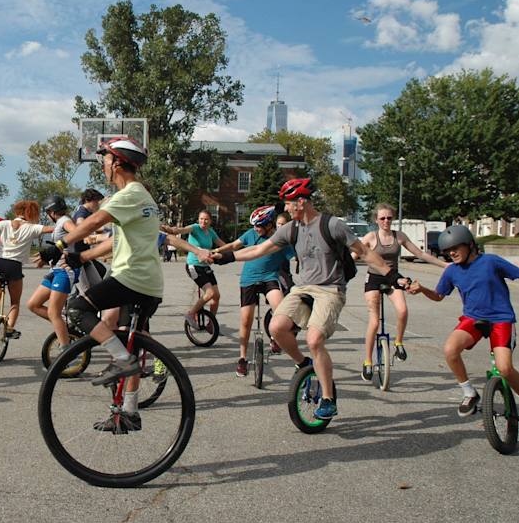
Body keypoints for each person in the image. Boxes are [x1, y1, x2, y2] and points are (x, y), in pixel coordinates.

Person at [205, 178, 400, 420]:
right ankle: (304, 363)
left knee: (314, 339)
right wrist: (225, 257)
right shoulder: (291, 229)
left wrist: (393, 276)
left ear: (301, 202)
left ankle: (328, 398)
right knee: (276, 327)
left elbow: (365, 252)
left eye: (288, 204)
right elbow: (258, 250)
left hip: (330, 289)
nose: (286, 209)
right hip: (303, 288)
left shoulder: (333, 225)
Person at [46, 137, 163, 432]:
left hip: (132, 279)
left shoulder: (130, 194)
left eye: (105, 161)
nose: (103, 167)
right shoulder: (139, 197)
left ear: (118, 164)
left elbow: (94, 221)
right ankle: (129, 412)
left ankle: (122, 360)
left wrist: (59, 244)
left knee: (77, 309)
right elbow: (115, 240)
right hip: (145, 281)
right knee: (126, 344)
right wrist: (83, 256)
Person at [407, 225, 519, 416]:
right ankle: (469, 392)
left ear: (469, 245)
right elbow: (438, 296)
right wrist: (423, 289)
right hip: (472, 319)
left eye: (455, 248)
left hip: (501, 320)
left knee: (505, 369)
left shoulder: (491, 261)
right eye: (448, 251)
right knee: (450, 350)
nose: (452, 253)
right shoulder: (452, 271)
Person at [357, 203, 447, 381]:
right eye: (382, 218)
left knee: (403, 310)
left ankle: (398, 342)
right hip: (374, 278)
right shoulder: (371, 237)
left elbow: (420, 254)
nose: (386, 221)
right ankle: (368, 361)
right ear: (376, 220)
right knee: (374, 322)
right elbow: (352, 255)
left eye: (389, 218)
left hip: (393, 278)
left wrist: (445, 265)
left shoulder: (399, 236)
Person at [210, 205, 294, 377]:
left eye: (259, 226)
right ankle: (242, 359)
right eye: (254, 225)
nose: (256, 229)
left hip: (270, 277)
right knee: (246, 321)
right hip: (249, 280)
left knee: (281, 310)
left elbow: (297, 254)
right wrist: (217, 250)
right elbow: (234, 245)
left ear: (270, 225)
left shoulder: (280, 239)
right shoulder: (250, 234)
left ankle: (275, 338)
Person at [0, 200, 53, 344]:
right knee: (15, 303)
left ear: (17, 212)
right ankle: (9, 328)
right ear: (30, 213)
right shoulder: (31, 227)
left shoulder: (4, 224)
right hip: (14, 266)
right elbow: (49, 229)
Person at [28, 196, 79, 350]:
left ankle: (66, 350)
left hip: (65, 271)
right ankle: (62, 325)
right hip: (55, 270)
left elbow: (77, 233)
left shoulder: (64, 221)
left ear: (51, 211)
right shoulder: (60, 223)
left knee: (53, 312)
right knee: (33, 304)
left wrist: (62, 248)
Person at [161, 210, 226, 328]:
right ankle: (191, 314)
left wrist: (239, 250)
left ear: (210, 221)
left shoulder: (210, 231)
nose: (203, 222)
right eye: (201, 219)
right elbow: (181, 230)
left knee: (216, 296)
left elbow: (223, 245)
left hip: (205, 266)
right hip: (194, 266)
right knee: (210, 293)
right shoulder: (195, 228)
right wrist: (172, 230)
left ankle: (211, 323)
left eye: (206, 219)